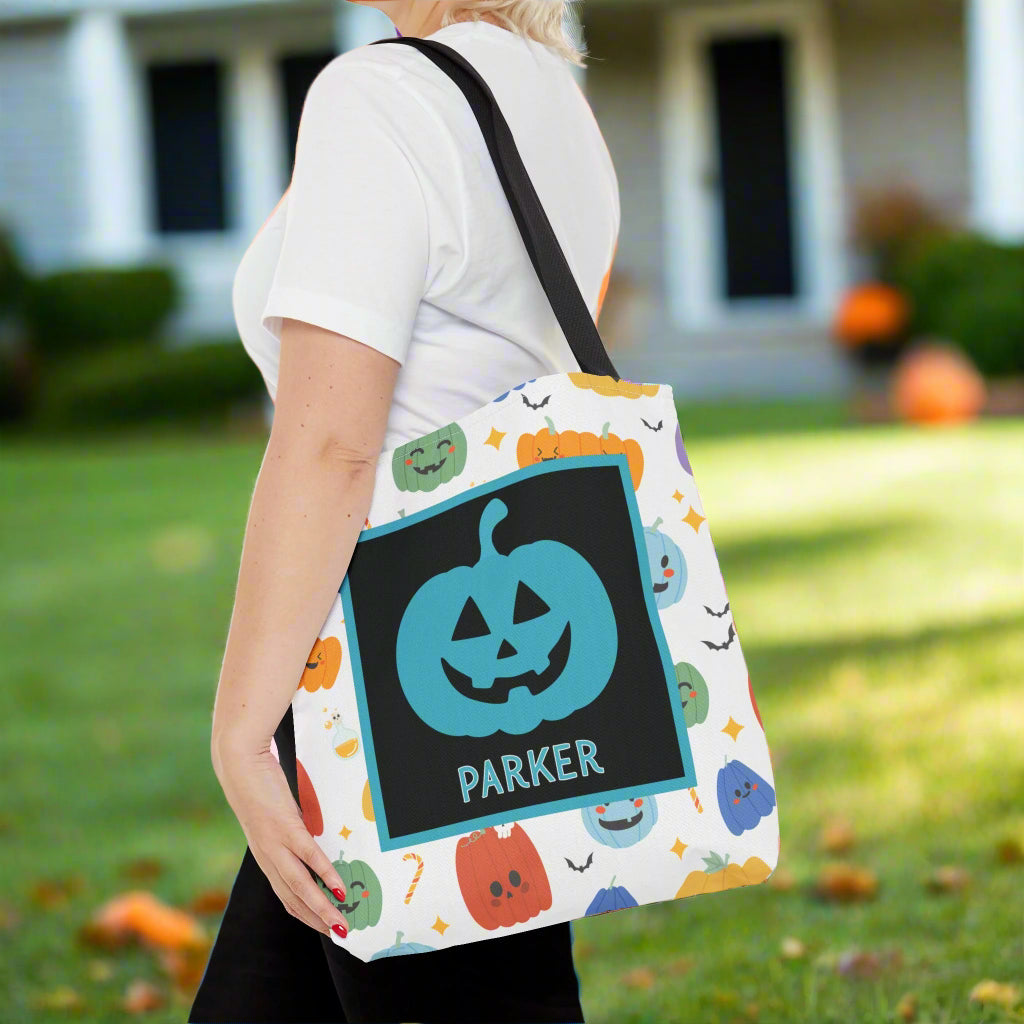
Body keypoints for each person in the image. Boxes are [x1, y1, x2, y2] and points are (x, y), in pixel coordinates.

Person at [188, 1, 619, 1021]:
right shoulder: (548, 97)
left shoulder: (380, 93)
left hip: (396, 680)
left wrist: (243, 730)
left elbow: (331, 442)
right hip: (474, 673)